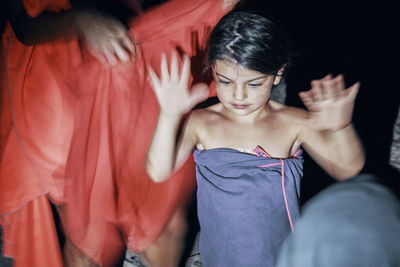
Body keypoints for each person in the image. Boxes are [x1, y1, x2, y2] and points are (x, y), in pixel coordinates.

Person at [1, 0, 238, 266]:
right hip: (57, 79)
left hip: (132, 65)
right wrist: (80, 19)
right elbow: (23, 25)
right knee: (87, 231)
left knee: (164, 219)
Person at [146, 10, 365, 266]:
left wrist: (341, 128)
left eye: (254, 84)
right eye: (225, 82)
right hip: (222, 256)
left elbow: (348, 169)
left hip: (281, 255)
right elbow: (159, 171)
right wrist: (169, 116)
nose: (238, 95)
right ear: (213, 69)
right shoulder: (201, 123)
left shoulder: (293, 122)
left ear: (278, 73)